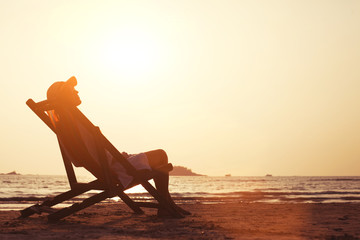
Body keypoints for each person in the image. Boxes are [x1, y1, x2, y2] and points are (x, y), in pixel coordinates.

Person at [46, 76, 190, 217]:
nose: (76, 92)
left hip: (108, 167)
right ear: (64, 97)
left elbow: (81, 159)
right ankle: (167, 205)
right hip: (115, 168)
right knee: (161, 155)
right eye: (72, 91)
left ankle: (167, 204)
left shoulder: (65, 125)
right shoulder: (76, 123)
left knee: (159, 158)